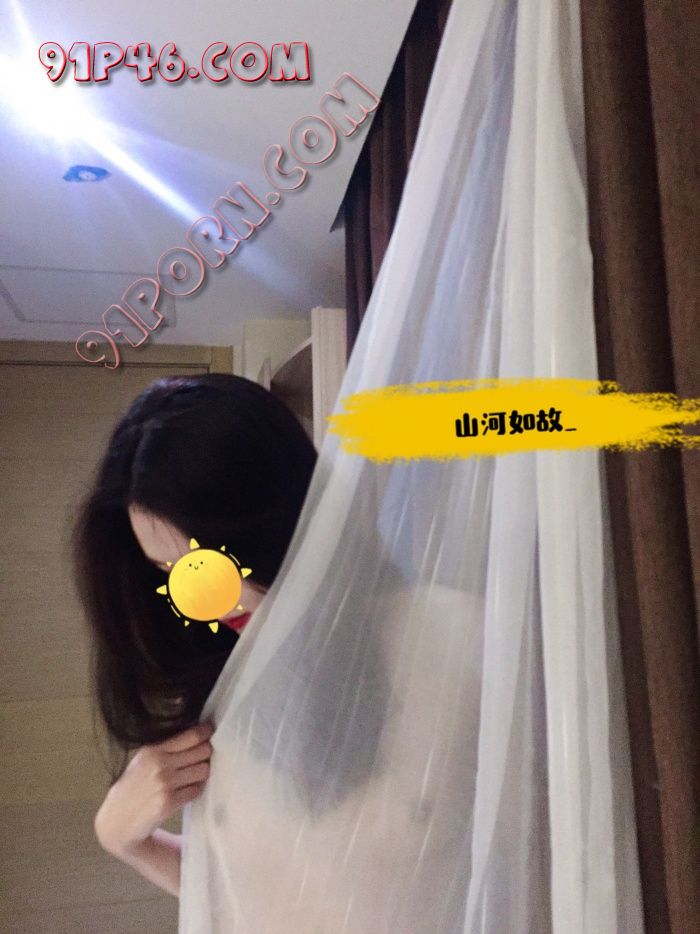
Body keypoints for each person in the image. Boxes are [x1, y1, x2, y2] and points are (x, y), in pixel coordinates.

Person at [71, 373, 318, 897]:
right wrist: (125, 840)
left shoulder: (436, 635)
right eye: (169, 570)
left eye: (211, 561)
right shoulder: (221, 678)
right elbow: (251, 897)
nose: (201, 600)